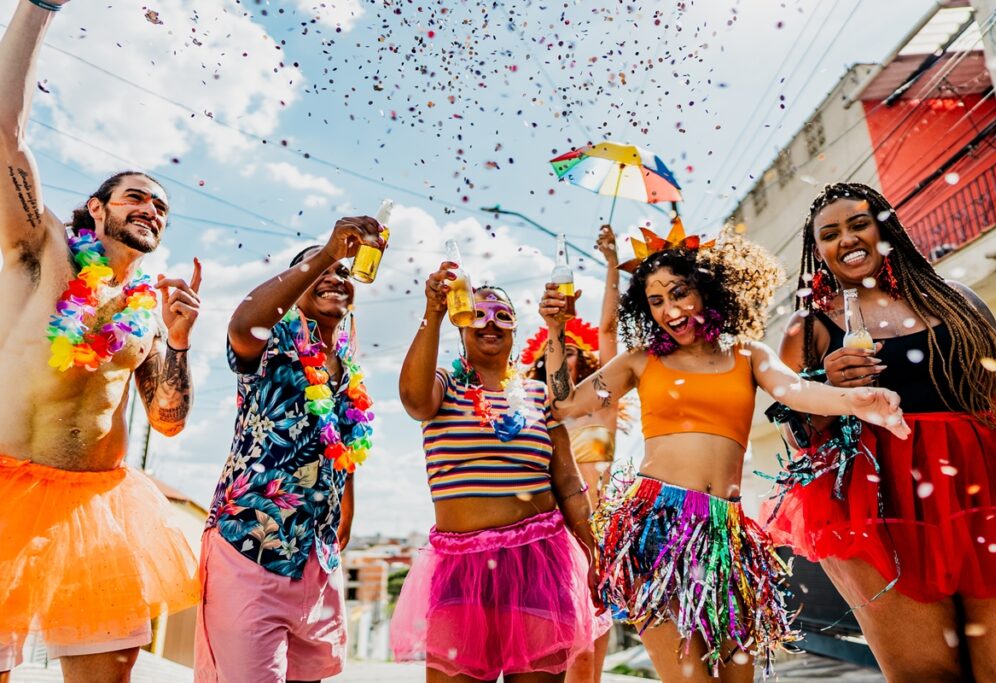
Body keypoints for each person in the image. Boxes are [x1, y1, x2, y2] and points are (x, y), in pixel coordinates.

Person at [539, 220, 910, 682]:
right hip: (657, 527)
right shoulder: (641, 361)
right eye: (656, 300)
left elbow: (794, 390)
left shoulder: (748, 354)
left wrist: (857, 401)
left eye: (678, 293)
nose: (669, 310)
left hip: (729, 535)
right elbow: (566, 402)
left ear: (708, 289)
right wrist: (555, 331)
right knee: (690, 677)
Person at [0, 1, 203, 681]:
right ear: (98, 207)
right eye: (137, 196)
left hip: (98, 510)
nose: (152, 209)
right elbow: (3, 134)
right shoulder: (41, 248)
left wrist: (176, 341)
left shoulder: (146, 310)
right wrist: (38, 10)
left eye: (162, 207)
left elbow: (168, 420)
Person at [765, 182, 996, 682]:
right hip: (876, 504)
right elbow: (800, 436)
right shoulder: (810, 327)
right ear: (817, 250)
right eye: (830, 233)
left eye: (859, 223)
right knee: (925, 675)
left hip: (981, 489)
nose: (847, 239)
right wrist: (830, 388)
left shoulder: (957, 301)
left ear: (885, 228)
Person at [391, 265, 601, 683]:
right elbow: (414, 401)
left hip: (540, 562)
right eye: (479, 315)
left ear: (514, 331)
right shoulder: (445, 385)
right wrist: (432, 312)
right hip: (459, 566)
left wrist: (594, 552)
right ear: (462, 325)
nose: (491, 323)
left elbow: (569, 485)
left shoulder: (539, 395)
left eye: (502, 316)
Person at [195, 222, 382, 683]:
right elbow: (242, 325)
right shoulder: (272, 340)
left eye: (345, 272)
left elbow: (341, 446)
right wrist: (322, 257)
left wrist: (347, 508)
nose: (336, 276)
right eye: (321, 269)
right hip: (252, 547)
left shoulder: (348, 360)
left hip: (317, 558)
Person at [521, 225, 621, 683]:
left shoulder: (604, 403)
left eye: (569, 354)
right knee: (556, 658)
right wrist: (554, 332)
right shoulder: (540, 418)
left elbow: (608, 329)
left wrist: (612, 265)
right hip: (553, 540)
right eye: (547, 362)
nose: (558, 364)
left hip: (597, 534)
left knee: (590, 657)